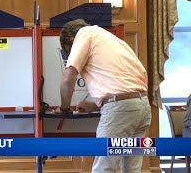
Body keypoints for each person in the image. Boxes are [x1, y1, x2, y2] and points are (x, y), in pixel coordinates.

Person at [54, 19, 152, 173]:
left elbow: (68, 78)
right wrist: (95, 105)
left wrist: (64, 108)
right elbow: (124, 86)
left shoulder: (84, 34)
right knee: (132, 169)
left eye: (69, 50)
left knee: (104, 168)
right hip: (142, 107)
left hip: (121, 111)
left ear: (72, 40)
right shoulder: (111, 39)